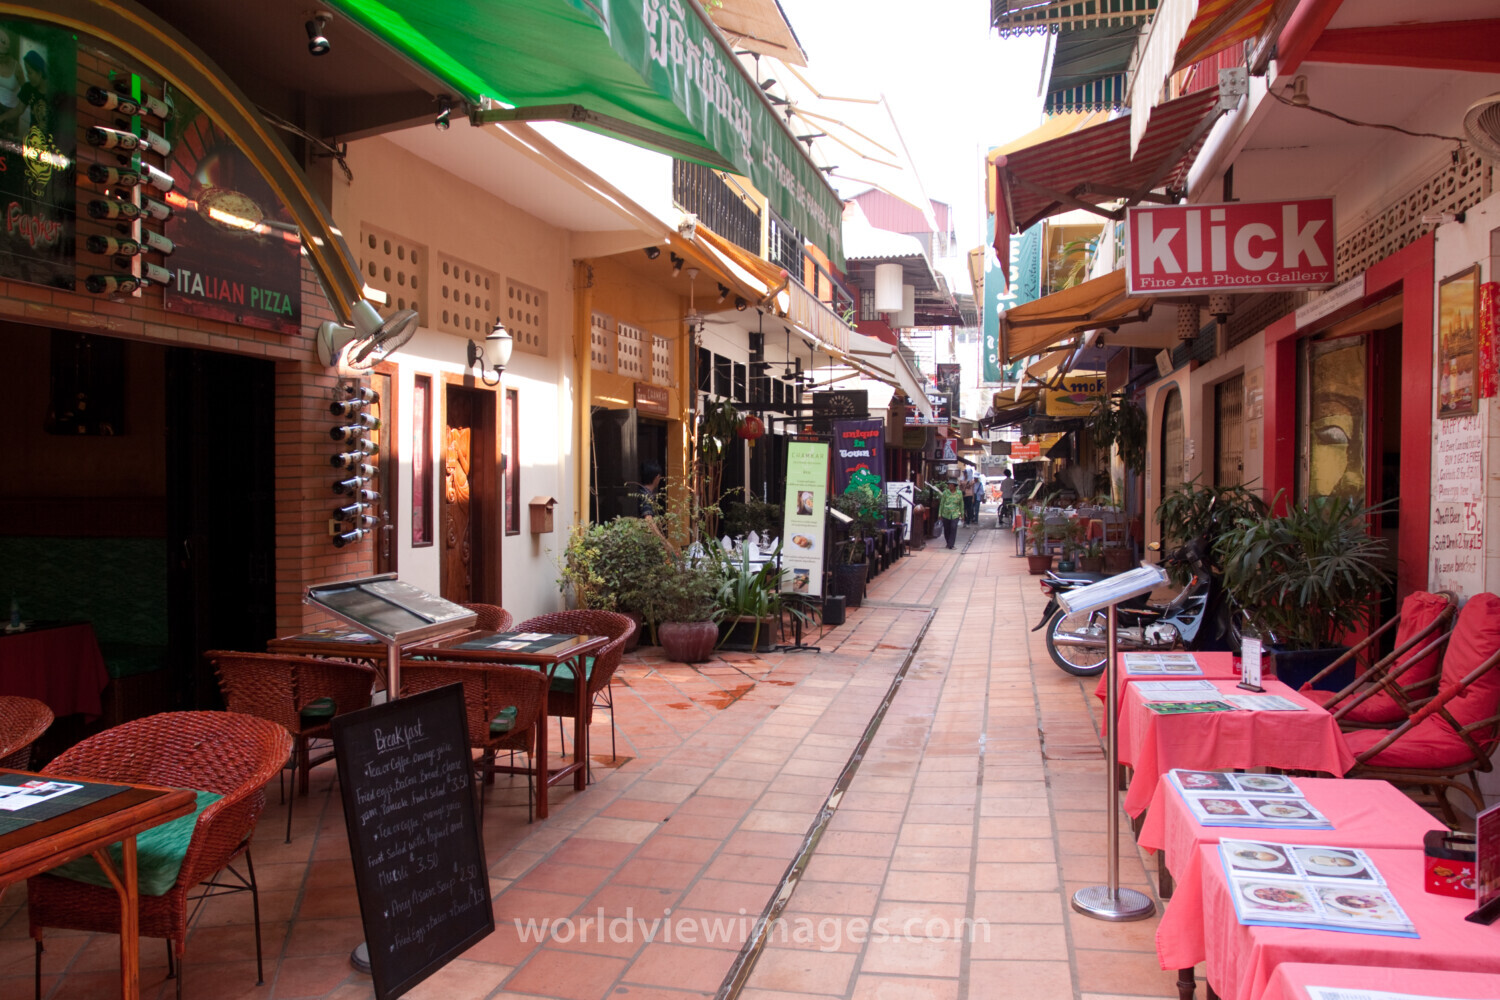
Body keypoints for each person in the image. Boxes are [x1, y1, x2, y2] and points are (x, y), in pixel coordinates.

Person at [939, 481, 963, 550]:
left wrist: (962, 514)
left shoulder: (959, 493)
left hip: (955, 514)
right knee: (946, 529)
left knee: (953, 527)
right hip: (946, 514)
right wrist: (939, 514)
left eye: (951, 485)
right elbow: (942, 503)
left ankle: (951, 545)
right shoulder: (945, 492)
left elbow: (961, 504)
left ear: (954, 486)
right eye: (949, 485)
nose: (949, 486)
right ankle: (948, 543)